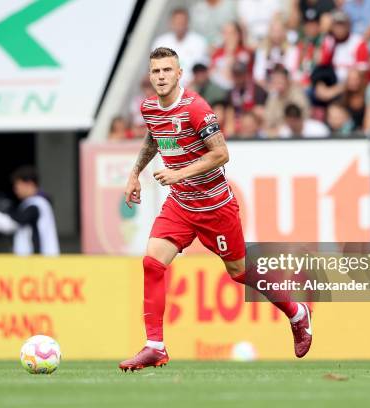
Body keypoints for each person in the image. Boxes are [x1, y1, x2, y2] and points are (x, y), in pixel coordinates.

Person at [119, 47, 312, 371]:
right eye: (156, 71)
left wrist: (178, 172)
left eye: (168, 70)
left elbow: (221, 154)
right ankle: (155, 345)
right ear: (150, 76)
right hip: (180, 202)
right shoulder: (150, 107)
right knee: (152, 262)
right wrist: (134, 173)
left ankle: (296, 312)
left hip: (214, 205)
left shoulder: (196, 108)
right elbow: (154, 137)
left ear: (179, 74)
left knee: (238, 273)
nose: (162, 76)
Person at [0, 166, 60, 256]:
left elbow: (15, 221)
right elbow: (12, 223)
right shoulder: (33, 203)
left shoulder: (38, 204)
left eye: (17, 185)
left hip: (39, 264)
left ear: (29, 184)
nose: (15, 190)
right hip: (35, 264)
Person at [152, 8, 208, 86]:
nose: (180, 25)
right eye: (177, 22)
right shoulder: (160, 42)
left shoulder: (199, 42)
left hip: (192, 87)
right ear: (171, 23)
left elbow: (202, 71)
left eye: (182, 22)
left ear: (187, 23)